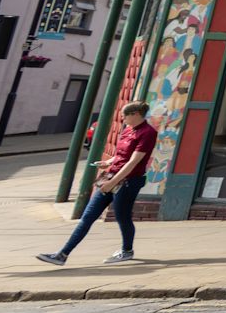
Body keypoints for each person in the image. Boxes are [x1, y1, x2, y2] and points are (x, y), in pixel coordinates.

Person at [38, 101, 157, 266]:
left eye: (124, 115)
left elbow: (133, 162)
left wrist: (113, 182)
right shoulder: (128, 131)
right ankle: (62, 255)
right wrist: (108, 163)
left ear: (136, 114)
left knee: (123, 217)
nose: (122, 119)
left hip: (129, 181)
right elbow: (122, 155)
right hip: (111, 176)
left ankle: (127, 250)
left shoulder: (148, 133)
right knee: (88, 217)